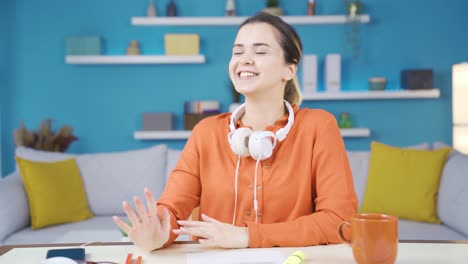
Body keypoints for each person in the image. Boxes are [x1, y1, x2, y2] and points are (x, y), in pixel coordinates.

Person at [113, 12, 357, 251]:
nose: (245, 59)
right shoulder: (206, 132)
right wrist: (158, 233)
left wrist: (248, 236)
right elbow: (173, 210)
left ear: (289, 70)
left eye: (260, 51)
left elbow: (339, 220)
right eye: (238, 51)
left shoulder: (318, 126)